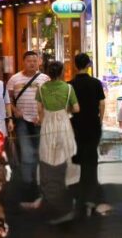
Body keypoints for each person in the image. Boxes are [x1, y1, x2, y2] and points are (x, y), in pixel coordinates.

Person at [32, 60, 80, 223]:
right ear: (61, 73)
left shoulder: (41, 88)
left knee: (47, 156)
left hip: (48, 124)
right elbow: (77, 108)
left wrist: (42, 118)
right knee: (67, 153)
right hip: (63, 122)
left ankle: (48, 192)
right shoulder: (68, 88)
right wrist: (65, 109)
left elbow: (39, 109)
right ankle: (67, 187)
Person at [68, 53, 110, 216]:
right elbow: (101, 103)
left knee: (78, 153)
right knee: (91, 157)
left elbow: (69, 107)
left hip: (76, 124)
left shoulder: (70, 84)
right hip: (93, 124)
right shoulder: (96, 83)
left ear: (75, 65)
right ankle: (91, 190)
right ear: (89, 65)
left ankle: (79, 191)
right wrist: (100, 120)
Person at [6, 50, 49, 202]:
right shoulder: (14, 79)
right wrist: (14, 110)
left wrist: (42, 116)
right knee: (27, 153)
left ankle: (37, 183)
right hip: (22, 120)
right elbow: (8, 99)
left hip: (39, 121)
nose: (32, 63)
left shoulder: (45, 79)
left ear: (39, 62)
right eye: (29, 60)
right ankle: (27, 184)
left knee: (39, 153)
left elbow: (49, 100)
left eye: (34, 60)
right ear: (23, 62)